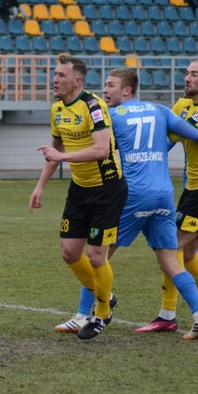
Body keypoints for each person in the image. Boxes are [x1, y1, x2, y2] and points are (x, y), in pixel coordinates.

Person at [57, 69, 198, 339]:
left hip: (132, 196)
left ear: (127, 90)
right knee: (169, 260)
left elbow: (92, 141)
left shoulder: (111, 115)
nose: (105, 90)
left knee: (98, 257)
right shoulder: (160, 110)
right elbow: (196, 135)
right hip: (163, 195)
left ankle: (84, 315)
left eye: (111, 86)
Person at [28, 55, 126, 340]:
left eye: (60, 75)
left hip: (107, 188)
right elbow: (55, 149)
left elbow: (101, 150)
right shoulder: (57, 109)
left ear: (77, 80)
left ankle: (102, 312)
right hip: (80, 188)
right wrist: (40, 186)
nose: (55, 79)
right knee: (70, 253)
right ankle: (104, 293)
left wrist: (63, 155)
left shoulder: (93, 106)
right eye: (54, 74)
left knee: (97, 256)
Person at [139, 59, 198, 331]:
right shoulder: (180, 105)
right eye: (187, 73)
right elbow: (165, 138)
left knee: (171, 247)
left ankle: (167, 315)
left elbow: (180, 130)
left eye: (195, 74)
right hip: (193, 188)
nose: (188, 77)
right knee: (189, 253)